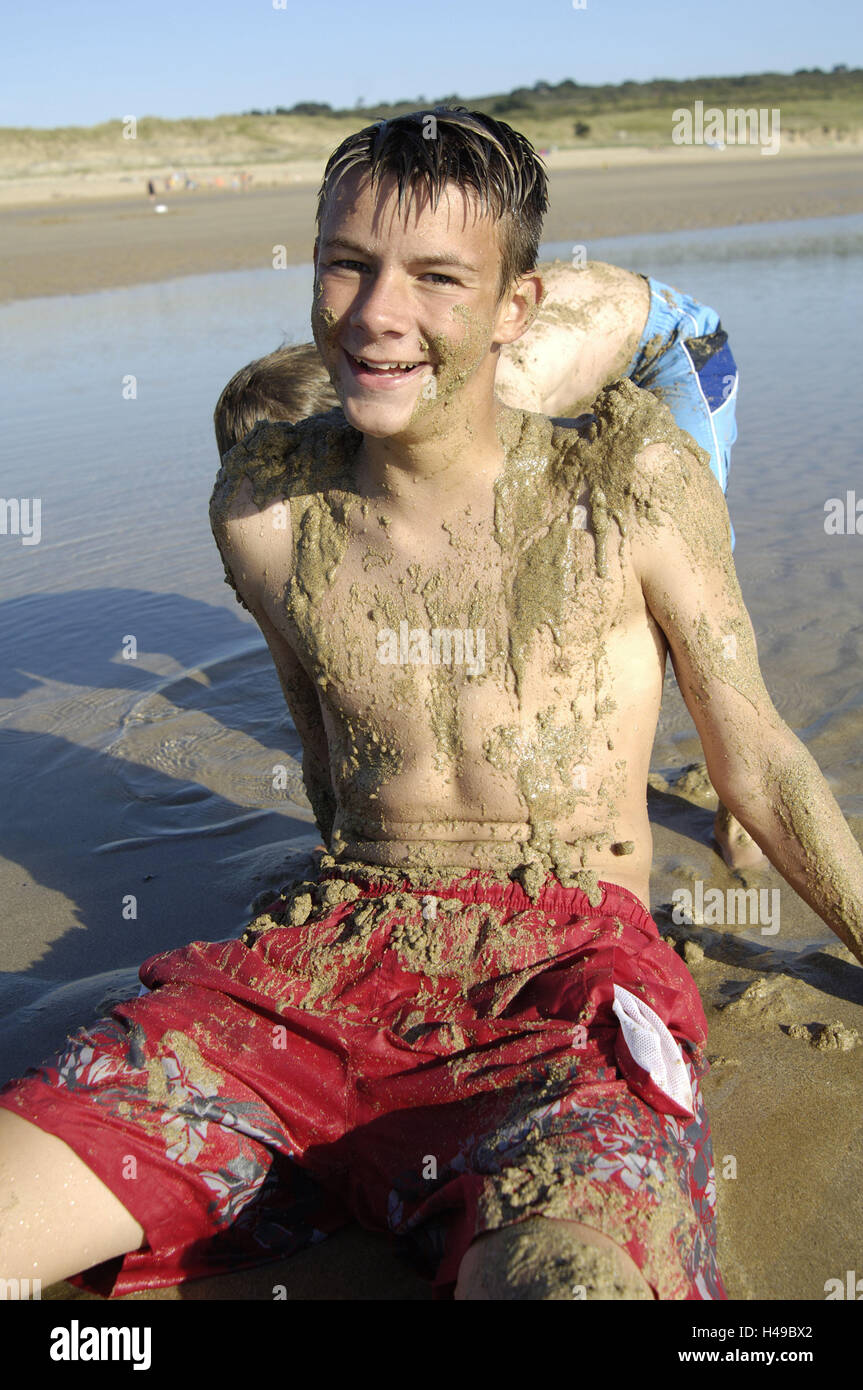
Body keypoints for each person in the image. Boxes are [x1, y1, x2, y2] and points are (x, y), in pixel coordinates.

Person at [2, 107, 862, 1304]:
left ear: (516, 309)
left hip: (561, 984)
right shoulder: (263, 507)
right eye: (345, 264)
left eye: (435, 278)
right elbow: (328, 769)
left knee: (569, 1278)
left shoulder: (630, 479)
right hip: (321, 966)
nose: (373, 315)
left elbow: (756, 761)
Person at [214, 261, 756, 869]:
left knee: (684, 573)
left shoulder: (480, 412)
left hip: (668, 346)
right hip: (564, 344)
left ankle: (742, 798)